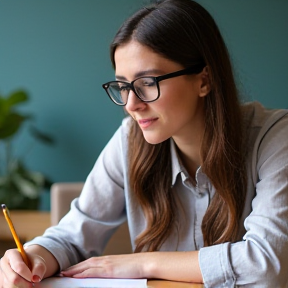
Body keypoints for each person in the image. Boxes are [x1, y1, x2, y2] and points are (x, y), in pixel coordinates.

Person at [1, 0, 288, 287]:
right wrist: (32, 257)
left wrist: (141, 262)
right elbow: (72, 235)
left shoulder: (276, 137)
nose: (131, 105)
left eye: (147, 82)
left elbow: (265, 264)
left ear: (204, 79)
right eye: (123, 87)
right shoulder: (130, 140)